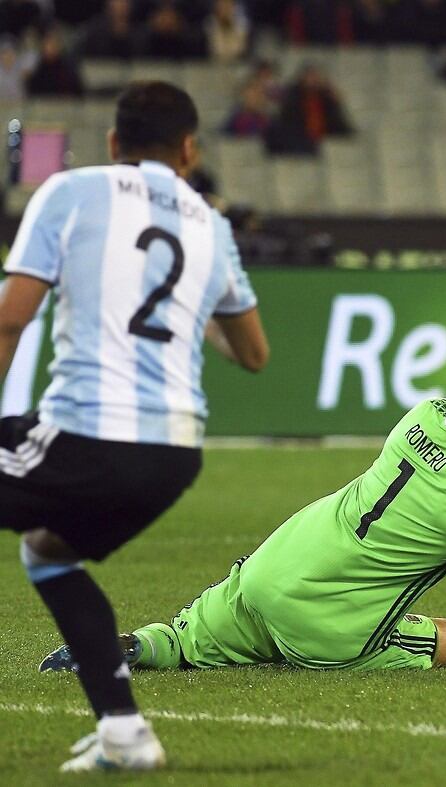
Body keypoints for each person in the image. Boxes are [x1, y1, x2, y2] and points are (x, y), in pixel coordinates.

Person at [40, 357, 446, 678]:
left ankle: (122, 647)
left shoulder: (422, 415)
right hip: (332, 618)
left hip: (279, 560)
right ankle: (309, 645)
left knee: (185, 641)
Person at [0, 82, 269, 772]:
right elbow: (254, 354)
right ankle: (123, 730)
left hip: (87, 438)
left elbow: (11, 316)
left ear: (115, 144)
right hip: (173, 455)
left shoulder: (69, 191)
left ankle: (123, 729)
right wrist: (192, 304)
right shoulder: (212, 224)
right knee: (48, 551)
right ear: (189, 149)